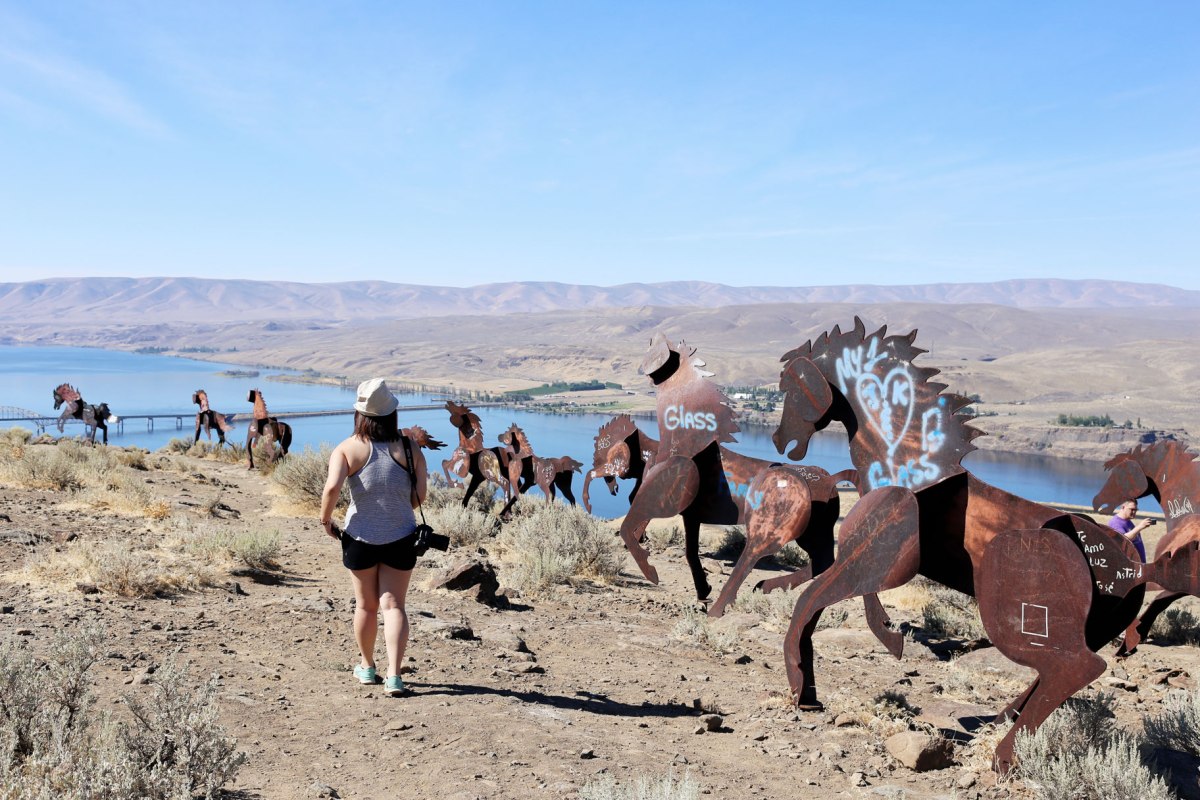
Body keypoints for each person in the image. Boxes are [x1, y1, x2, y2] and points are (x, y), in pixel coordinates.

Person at [320, 378, 427, 697]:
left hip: (359, 538)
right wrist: (396, 506)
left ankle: (368, 668)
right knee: (394, 606)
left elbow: (331, 489)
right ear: (392, 413)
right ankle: (394, 676)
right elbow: (419, 496)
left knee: (366, 606)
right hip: (402, 537)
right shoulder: (411, 448)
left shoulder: (347, 448)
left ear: (360, 414)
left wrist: (326, 519)